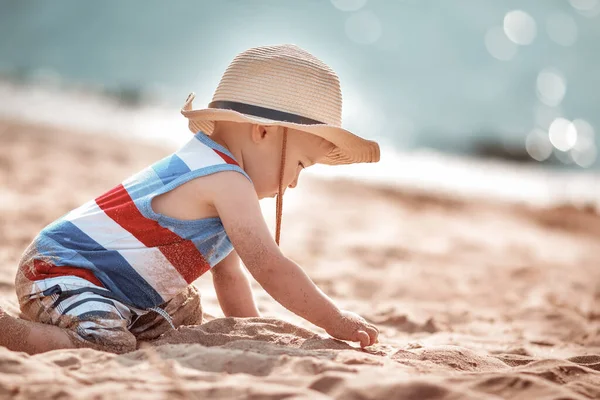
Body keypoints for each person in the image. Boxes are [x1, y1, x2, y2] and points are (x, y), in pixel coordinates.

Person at [0, 44, 381, 354]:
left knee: (185, 308)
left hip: (109, 283)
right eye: (300, 164)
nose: (295, 181)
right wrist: (335, 319)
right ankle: (13, 333)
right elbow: (270, 266)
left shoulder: (215, 167)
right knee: (109, 343)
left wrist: (250, 331)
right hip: (62, 270)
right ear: (263, 133)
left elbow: (229, 275)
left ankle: (71, 320)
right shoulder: (225, 179)